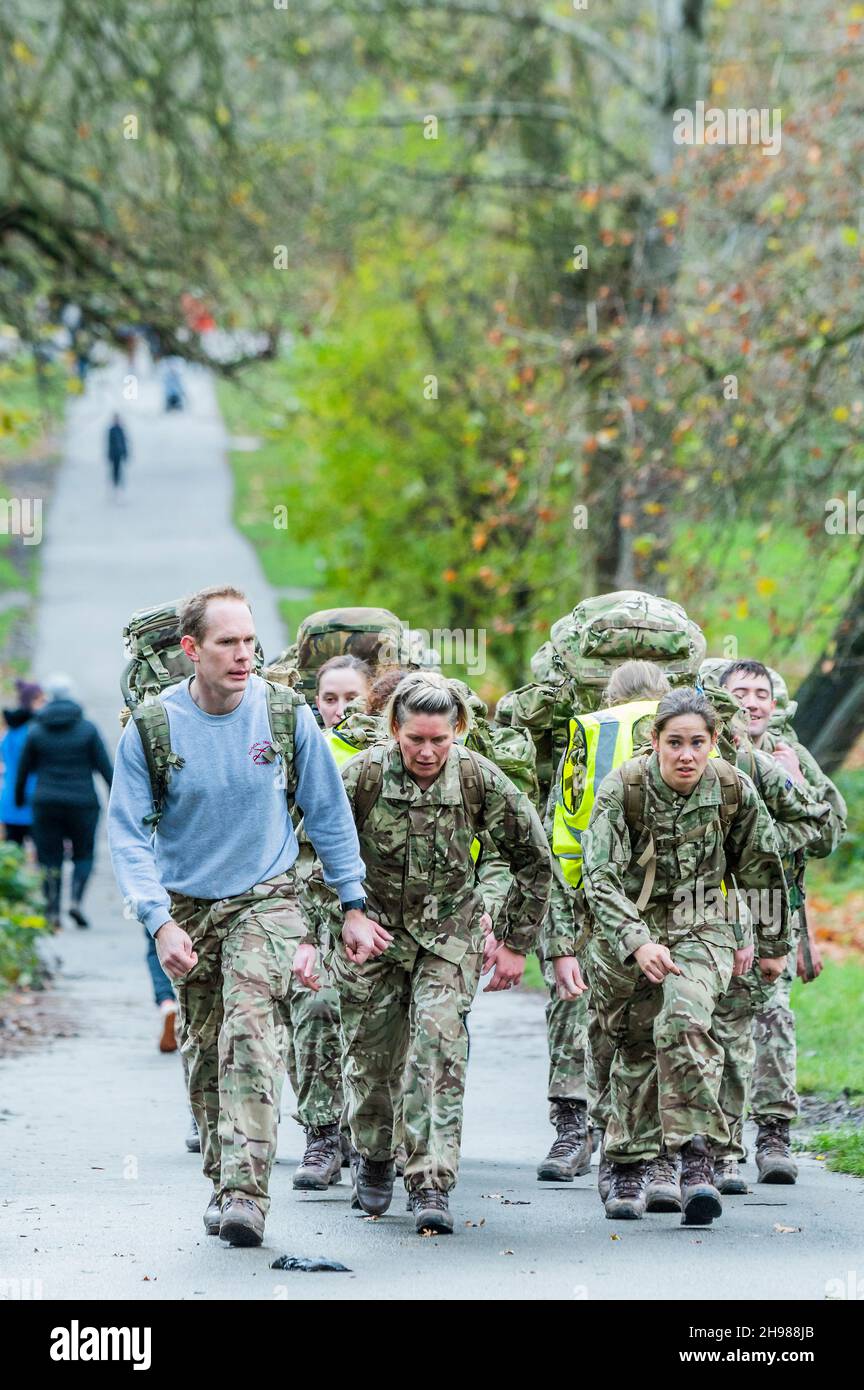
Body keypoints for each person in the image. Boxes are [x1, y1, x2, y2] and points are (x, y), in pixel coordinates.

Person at [107, 584, 383, 1248]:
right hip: (185, 908)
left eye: (250, 641)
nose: (242, 655)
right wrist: (158, 922)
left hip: (266, 900)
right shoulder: (152, 726)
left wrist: (352, 903)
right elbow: (128, 837)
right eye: (227, 642)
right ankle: (221, 1176)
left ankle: (247, 1194)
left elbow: (328, 814)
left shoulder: (286, 716)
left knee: (251, 1037)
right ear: (191, 649)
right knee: (204, 1051)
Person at [295, 672, 553, 1235]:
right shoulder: (360, 777)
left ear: (457, 731)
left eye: (440, 739)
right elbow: (308, 857)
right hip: (373, 937)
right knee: (371, 1058)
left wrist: (514, 941)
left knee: (437, 1044)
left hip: (447, 937)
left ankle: (431, 1179)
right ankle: (375, 1155)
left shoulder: (479, 779)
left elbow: (534, 858)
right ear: (394, 730)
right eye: (416, 739)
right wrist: (345, 917)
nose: (428, 751)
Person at [555, 687, 790, 1226]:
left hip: (702, 922)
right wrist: (637, 942)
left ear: (713, 744)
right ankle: (626, 1165)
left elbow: (761, 867)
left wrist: (773, 945)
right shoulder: (624, 788)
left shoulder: (733, 788)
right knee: (630, 1044)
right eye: (676, 742)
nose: (687, 754)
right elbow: (599, 876)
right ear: (654, 741)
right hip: (627, 929)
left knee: (683, 1018)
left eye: (698, 743)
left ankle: (696, 1159)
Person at [718, 659, 847, 1183]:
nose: (753, 702)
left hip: (774, 906)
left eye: (762, 693)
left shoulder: (788, 753)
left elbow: (828, 829)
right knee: (717, 1025)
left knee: (773, 1022)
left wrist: (790, 785)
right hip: (713, 908)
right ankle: (721, 1146)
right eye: (741, 692)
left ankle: (774, 1137)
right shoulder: (701, 748)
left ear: (774, 703)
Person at [283, 653, 374, 1191]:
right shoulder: (297, 753)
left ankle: (371, 1137)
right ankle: (321, 1135)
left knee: (372, 1027)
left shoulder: (397, 751)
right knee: (313, 1009)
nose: (340, 709)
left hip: (376, 912)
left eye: (352, 698)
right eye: (329, 698)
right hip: (309, 909)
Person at [15, 674, 113, 931]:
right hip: (83, 802)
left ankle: (51, 910)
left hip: (46, 801)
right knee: (84, 853)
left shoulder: (37, 730)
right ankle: (76, 901)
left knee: (49, 857)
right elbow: (105, 767)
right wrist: (118, 797)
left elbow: (24, 770)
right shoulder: (87, 729)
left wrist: (18, 800)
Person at [0, 680, 43, 845]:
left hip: (9, 800)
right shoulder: (34, 731)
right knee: (42, 856)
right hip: (31, 799)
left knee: (13, 855)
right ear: (31, 702)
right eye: (40, 700)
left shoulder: (9, 731)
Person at [106, 415, 129, 494]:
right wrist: (109, 454)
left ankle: (118, 487)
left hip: (119, 454)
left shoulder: (121, 430)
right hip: (114, 454)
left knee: (119, 470)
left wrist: (125, 453)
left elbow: (124, 443)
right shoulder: (111, 430)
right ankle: (114, 486)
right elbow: (109, 443)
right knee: (114, 470)